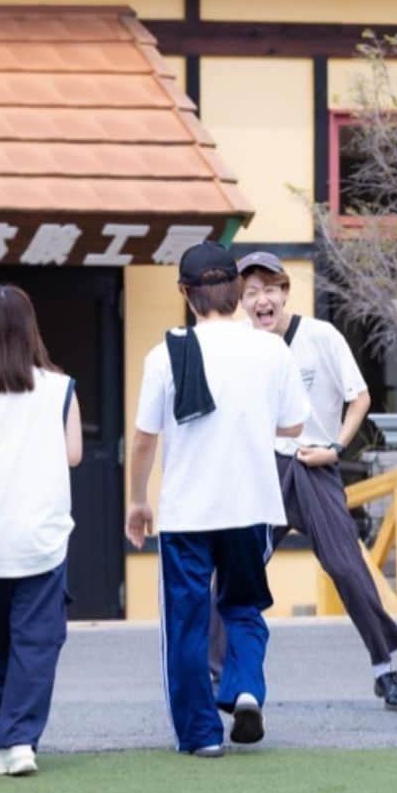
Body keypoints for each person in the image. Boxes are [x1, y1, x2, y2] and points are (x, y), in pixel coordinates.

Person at [127, 241, 310, 757]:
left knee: (185, 622)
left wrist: (137, 500)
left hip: (189, 510)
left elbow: (144, 438)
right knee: (245, 606)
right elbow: (294, 422)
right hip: (253, 504)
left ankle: (201, 735)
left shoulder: (166, 354)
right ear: (236, 290)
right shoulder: (272, 349)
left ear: (185, 294)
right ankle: (246, 688)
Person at [215, 250, 397, 709]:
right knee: (231, 570)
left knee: (346, 566)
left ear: (285, 293)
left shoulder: (321, 336)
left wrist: (338, 448)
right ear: (241, 302)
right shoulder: (240, 343)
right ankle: (215, 672)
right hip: (262, 469)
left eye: (269, 290)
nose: (261, 300)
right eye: (250, 293)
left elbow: (359, 397)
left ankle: (385, 669)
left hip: (315, 465)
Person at [0, 285, 83, 777]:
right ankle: (18, 742)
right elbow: (74, 453)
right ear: (32, 329)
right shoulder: (60, 387)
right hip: (41, 533)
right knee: (36, 639)